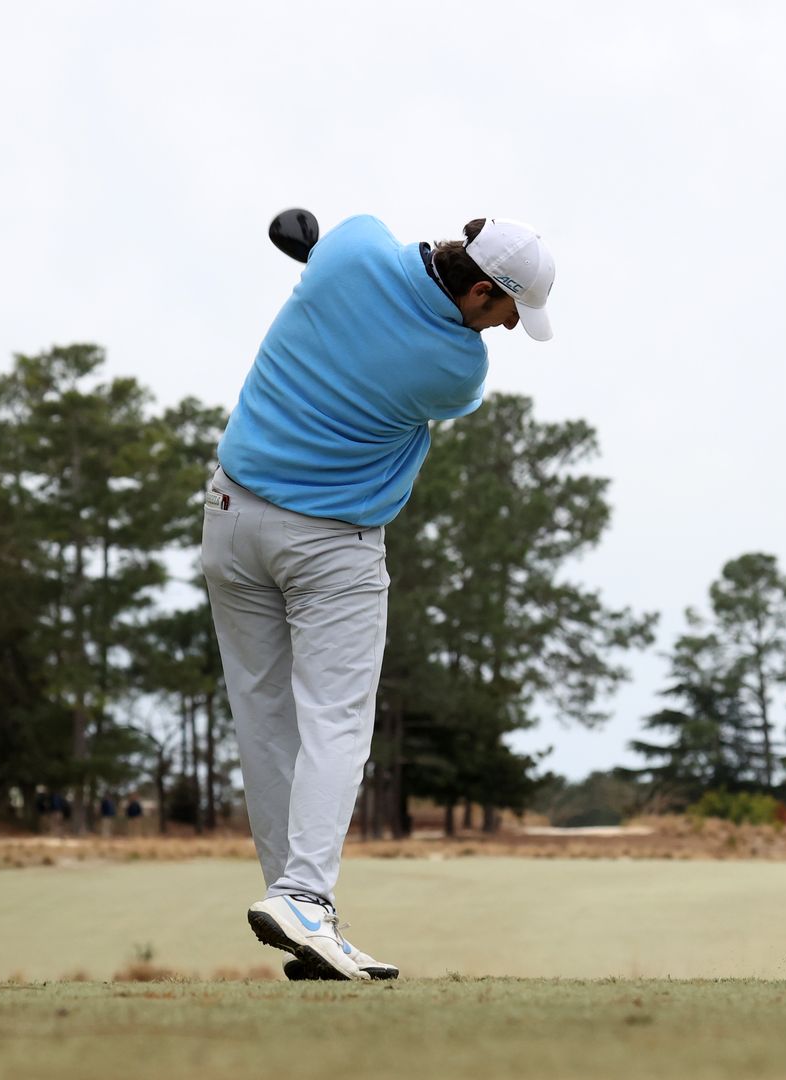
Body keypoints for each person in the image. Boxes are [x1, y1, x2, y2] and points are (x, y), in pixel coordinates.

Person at [201, 215, 555, 981]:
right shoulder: (456, 368)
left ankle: (300, 913)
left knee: (266, 722)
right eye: (507, 311)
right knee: (335, 720)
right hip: (330, 543)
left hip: (230, 518)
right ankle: (303, 898)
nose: (505, 328)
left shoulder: (355, 243)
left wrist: (326, 263)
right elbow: (417, 346)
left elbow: (338, 254)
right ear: (481, 291)